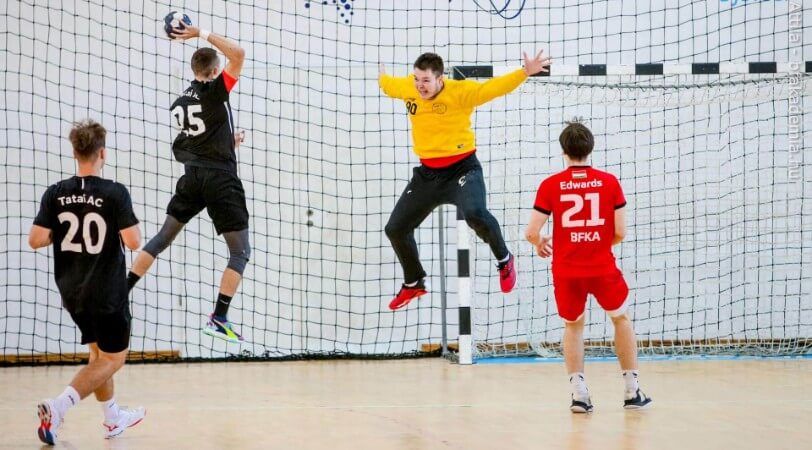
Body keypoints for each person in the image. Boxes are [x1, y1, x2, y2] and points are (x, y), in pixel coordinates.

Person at [379, 50, 552, 310]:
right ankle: (413, 282)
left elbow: (494, 88)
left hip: (462, 169)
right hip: (428, 175)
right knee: (395, 229)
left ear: (440, 78)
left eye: (425, 80)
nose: (419, 85)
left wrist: (524, 72)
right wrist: (381, 74)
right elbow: (388, 85)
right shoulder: (409, 87)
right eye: (416, 79)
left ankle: (504, 259)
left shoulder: (460, 93)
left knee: (475, 214)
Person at [127, 23, 250, 342]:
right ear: (215, 71)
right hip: (220, 180)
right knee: (240, 252)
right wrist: (200, 33)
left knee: (161, 238)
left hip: (192, 177)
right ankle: (219, 318)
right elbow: (238, 53)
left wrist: (227, 142)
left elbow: (196, 139)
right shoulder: (215, 91)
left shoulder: (182, 100)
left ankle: (120, 293)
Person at [29, 120, 145, 444]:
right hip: (106, 292)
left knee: (98, 356)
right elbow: (134, 241)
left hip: (72, 292)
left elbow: (35, 239)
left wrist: (63, 231)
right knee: (113, 359)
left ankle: (112, 419)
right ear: (102, 153)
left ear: (74, 152)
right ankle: (58, 407)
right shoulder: (114, 192)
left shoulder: (55, 192)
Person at [525, 118, 652, 413]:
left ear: (563, 151)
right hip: (602, 267)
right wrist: (596, 244)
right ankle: (632, 390)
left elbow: (531, 232)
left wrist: (539, 243)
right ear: (590, 149)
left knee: (573, 326)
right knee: (621, 319)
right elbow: (620, 232)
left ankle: (579, 395)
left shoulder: (550, 185)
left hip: (567, 270)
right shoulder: (609, 182)